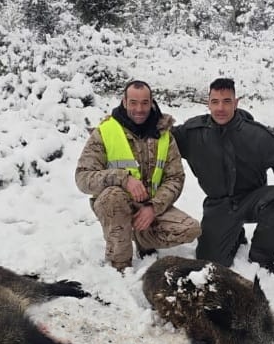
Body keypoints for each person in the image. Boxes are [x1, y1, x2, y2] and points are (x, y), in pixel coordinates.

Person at [172, 77, 274, 276]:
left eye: (227, 101)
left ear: (236, 102)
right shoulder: (192, 133)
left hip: (252, 200)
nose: (220, 108)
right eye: (215, 102)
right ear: (207, 103)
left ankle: (262, 257)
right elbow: (163, 138)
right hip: (219, 205)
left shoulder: (256, 134)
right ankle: (235, 234)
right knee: (209, 263)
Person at [75, 80, 201, 272]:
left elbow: (175, 178)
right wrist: (123, 178)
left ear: (151, 103)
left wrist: (153, 207)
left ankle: (141, 238)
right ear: (124, 102)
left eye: (144, 103)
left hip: (151, 206)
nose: (139, 109)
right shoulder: (105, 132)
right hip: (115, 204)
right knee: (112, 197)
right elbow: (83, 178)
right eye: (133, 102)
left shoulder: (164, 135)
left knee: (191, 229)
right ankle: (120, 265)